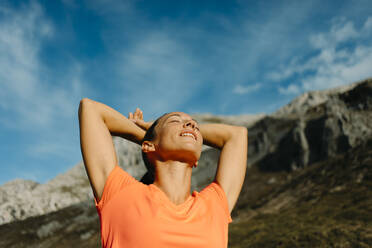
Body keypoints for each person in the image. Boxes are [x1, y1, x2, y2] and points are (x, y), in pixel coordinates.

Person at [78, 98, 248, 248]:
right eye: (175, 121)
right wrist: (150, 136)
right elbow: (91, 109)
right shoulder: (120, 194)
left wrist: (163, 134)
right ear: (148, 147)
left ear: (197, 160)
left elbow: (237, 135)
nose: (192, 125)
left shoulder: (214, 206)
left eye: (194, 123)